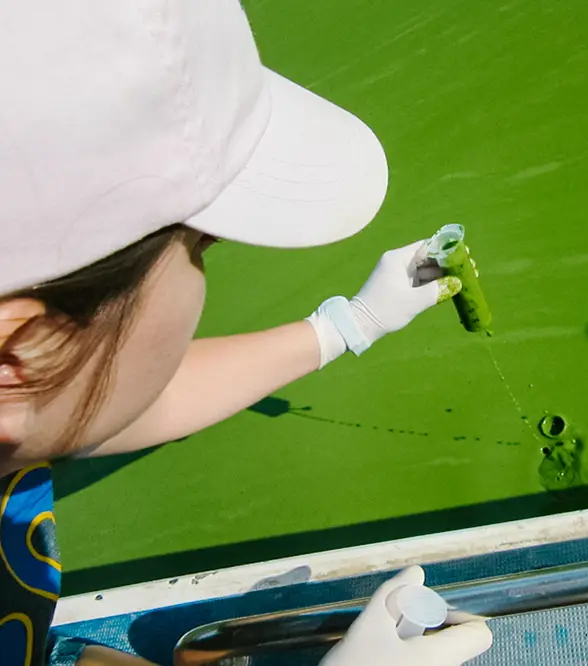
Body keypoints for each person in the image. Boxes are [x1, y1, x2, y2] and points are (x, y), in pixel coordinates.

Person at [0, 1, 493, 665]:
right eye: (201, 246)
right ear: (22, 352)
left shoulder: (24, 406)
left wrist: (346, 325)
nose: (210, 258)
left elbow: (110, 401)